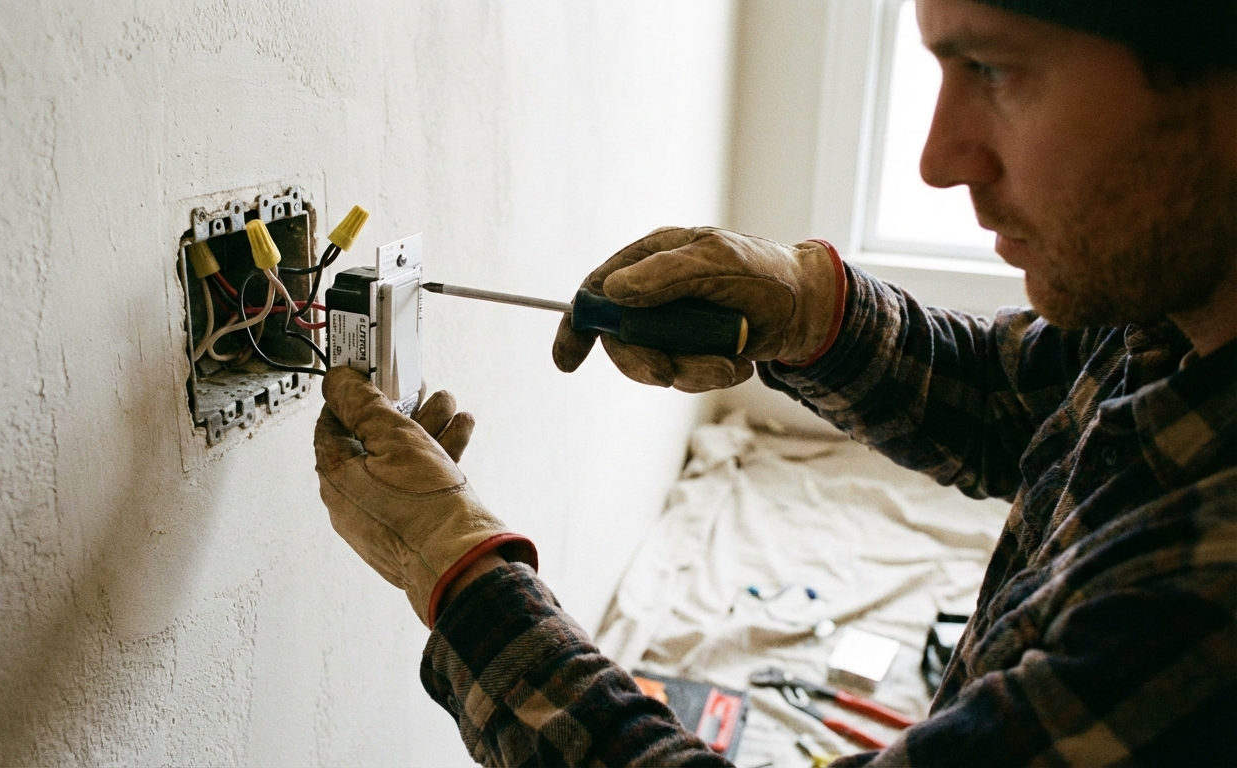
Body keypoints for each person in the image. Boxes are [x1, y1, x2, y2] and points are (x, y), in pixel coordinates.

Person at [314, 0, 1237, 764]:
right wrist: (811, 310)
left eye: (994, 69)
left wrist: (462, 574)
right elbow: (1013, 398)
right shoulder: (1170, 318)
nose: (936, 159)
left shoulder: (1202, 602)